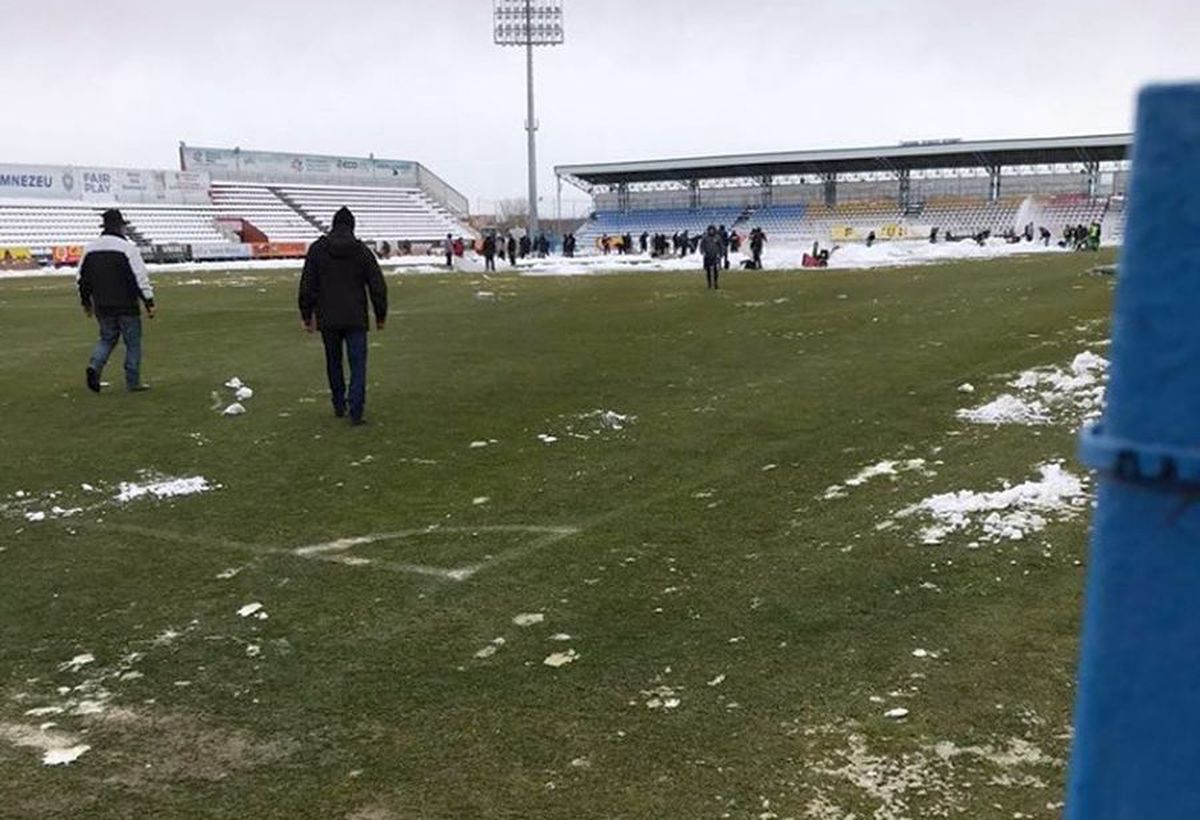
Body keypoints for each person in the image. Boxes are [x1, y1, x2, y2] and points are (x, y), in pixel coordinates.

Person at [298, 207, 388, 426]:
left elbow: (307, 284)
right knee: (358, 365)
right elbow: (377, 285)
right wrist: (380, 314)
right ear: (352, 226)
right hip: (355, 317)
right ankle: (356, 410)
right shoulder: (361, 251)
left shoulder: (318, 250)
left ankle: (339, 404)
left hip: (328, 317)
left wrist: (306, 314)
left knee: (333, 362)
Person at [78, 208, 156, 393]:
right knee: (132, 343)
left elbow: (82, 279)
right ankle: (133, 381)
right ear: (120, 227)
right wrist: (149, 302)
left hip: (102, 304)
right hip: (127, 304)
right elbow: (140, 277)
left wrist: (86, 302)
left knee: (106, 339)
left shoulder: (90, 249)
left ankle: (95, 366)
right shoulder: (128, 248)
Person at [700, 224, 723, 290]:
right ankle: (709, 284)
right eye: (710, 230)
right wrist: (702, 251)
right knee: (708, 271)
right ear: (708, 230)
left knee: (716, 270)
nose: (711, 231)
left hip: (715, 256)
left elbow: (721, 246)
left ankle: (716, 283)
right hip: (707, 256)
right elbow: (702, 245)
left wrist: (721, 254)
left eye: (712, 230)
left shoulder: (718, 237)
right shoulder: (705, 237)